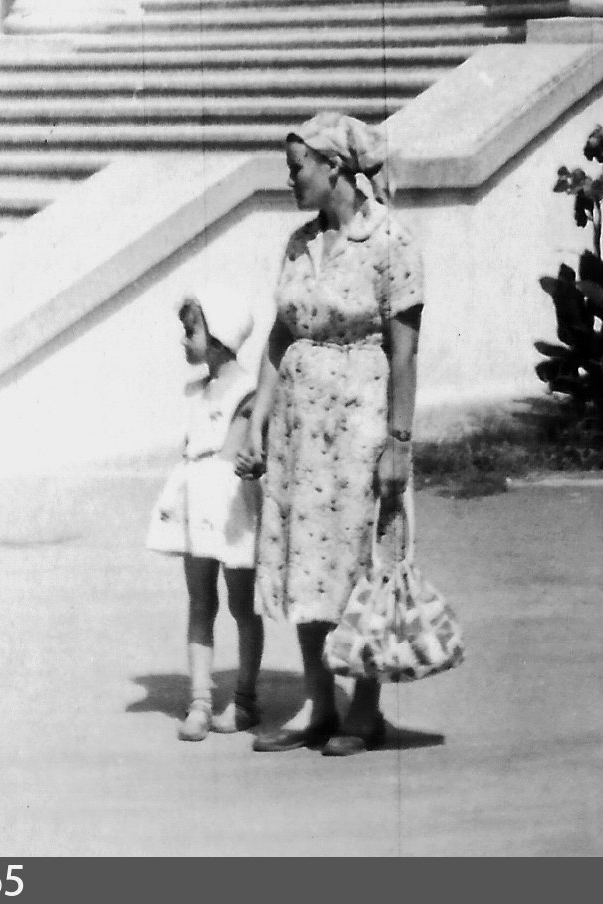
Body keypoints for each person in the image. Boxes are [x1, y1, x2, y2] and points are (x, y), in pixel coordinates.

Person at [237, 111, 424, 757]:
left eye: (297, 168)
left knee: (360, 561)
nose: (289, 180)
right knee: (304, 560)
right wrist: (257, 418)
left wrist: (399, 441)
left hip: (360, 424)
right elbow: (280, 333)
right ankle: (319, 702)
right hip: (298, 430)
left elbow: (404, 353)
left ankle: (364, 709)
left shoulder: (391, 241)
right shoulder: (297, 243)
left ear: (334, 167)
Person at [145, 287, 265, 741]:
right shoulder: (196, 390)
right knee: (200, 601)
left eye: (191, 330)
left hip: (230, 506)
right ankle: (200, 699)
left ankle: (246, 698)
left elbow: (247, 451)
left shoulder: (248, 391)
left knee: (241, 603)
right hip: (196, 503)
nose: (183, 339)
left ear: (219, 336)